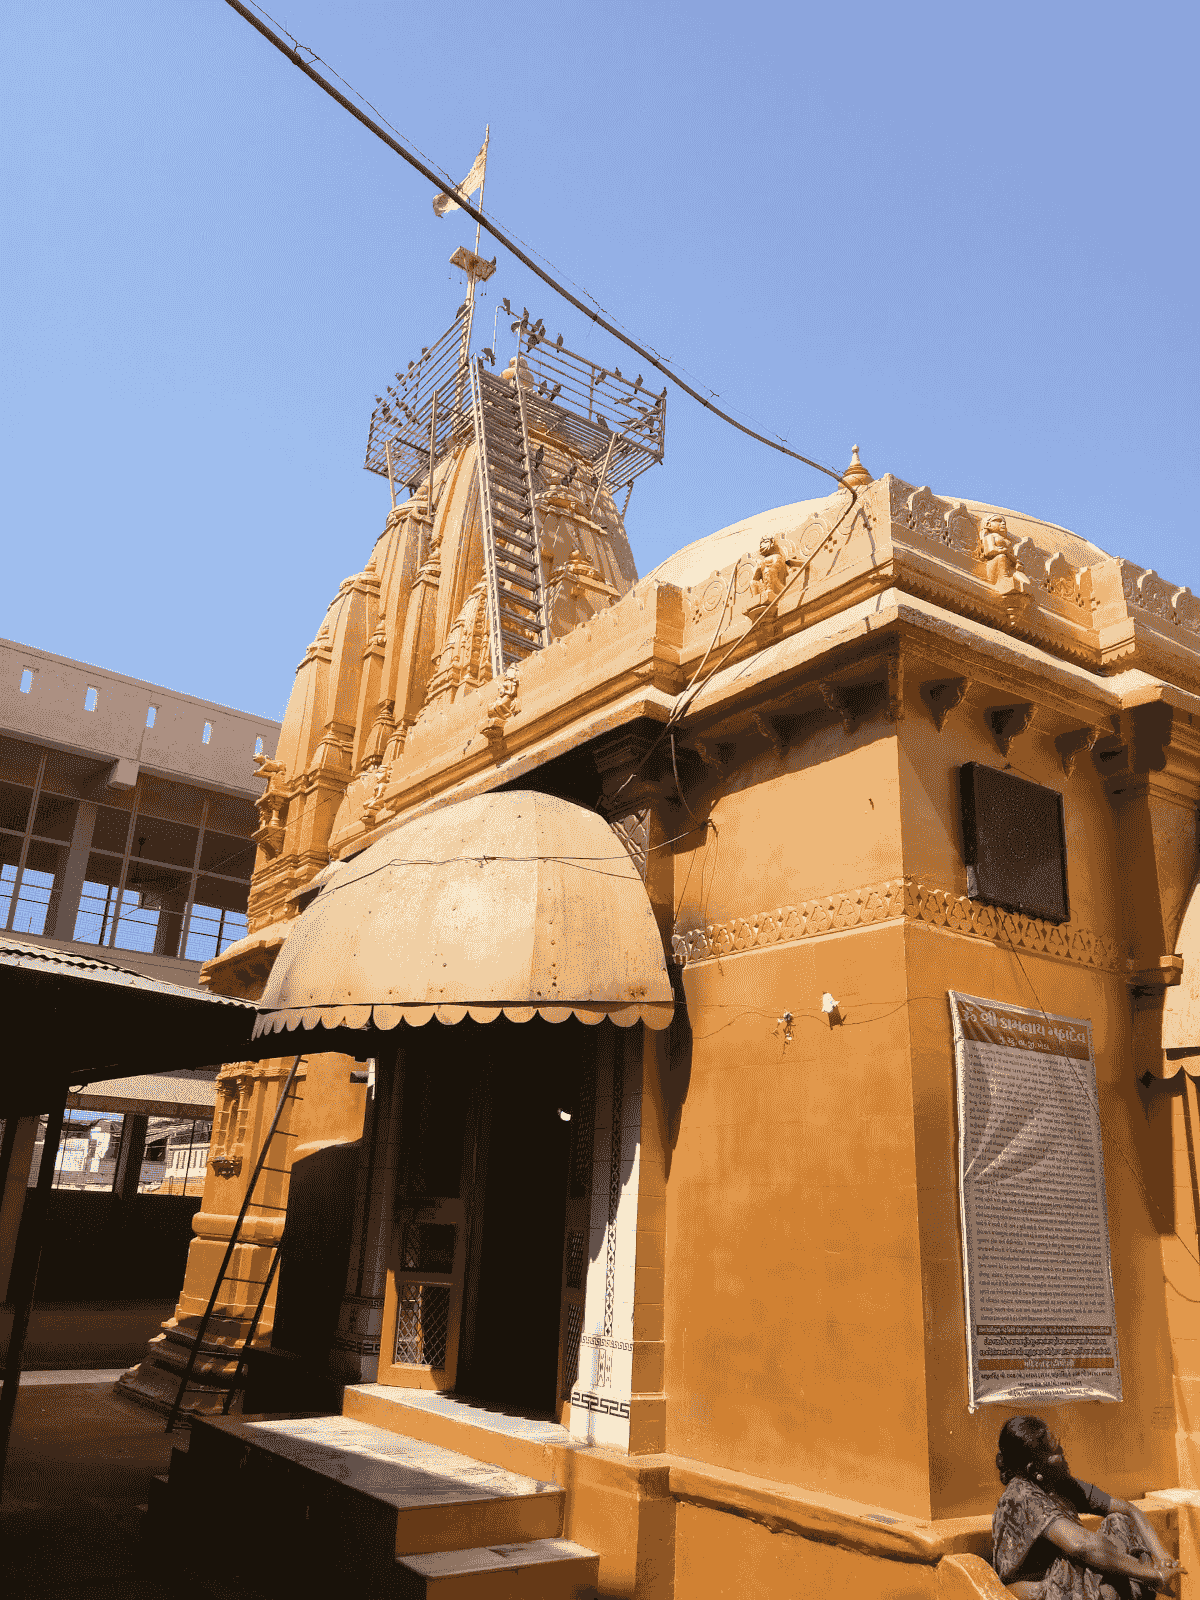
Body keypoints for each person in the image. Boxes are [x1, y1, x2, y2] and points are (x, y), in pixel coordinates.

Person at [992, 1416, 1183, 1598]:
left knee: (1119, 1520)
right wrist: (1151, 1573)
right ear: (1034, 1470)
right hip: (1039, 1590)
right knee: (1087, 1565)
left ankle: (1134, 1591)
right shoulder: (1020, 1495)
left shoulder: (1059, 1483)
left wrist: (1161, 1557)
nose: (1061, 1449)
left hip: (1070, 1584)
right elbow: (1081, 1545)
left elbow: (1128, 1509)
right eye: (1052, 1449)